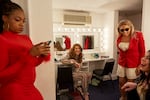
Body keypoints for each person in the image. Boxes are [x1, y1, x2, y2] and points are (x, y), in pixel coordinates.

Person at [0, 1, 50, 100]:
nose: (21, 24)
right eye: (17, 20)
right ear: (5, 18)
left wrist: (41, 55)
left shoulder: (26, 38)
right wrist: (29, 55)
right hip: (13, 90)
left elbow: (31, 63)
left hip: (30, 87)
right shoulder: (2, 40)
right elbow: (1, 75)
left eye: (23, 21)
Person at [116, 19, 145, 100]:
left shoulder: (138, 35)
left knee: (130, 84)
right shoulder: (119, 37)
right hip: (122, 63)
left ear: (130, 27)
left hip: (133, 64)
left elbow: (142, 51)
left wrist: (140, 65)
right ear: (119, 30)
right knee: (121, 82)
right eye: (122, 30)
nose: (125, 31)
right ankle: (123, 96)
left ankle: (129, 98)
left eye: (127, 29)